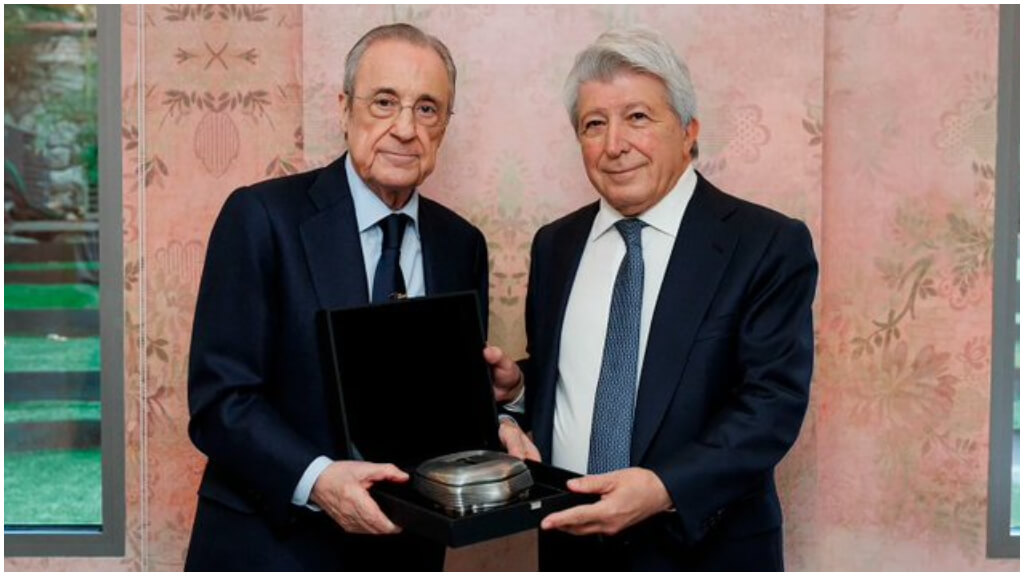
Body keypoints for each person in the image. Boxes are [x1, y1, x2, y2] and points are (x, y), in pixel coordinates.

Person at [490, 27, 818, 570]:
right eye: (595, 124)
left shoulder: (765, 243)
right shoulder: (555, 245)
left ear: (689, 131)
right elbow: (576, 374)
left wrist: (664, 487)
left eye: (638, 117)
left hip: (705, 549)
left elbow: (771, 405)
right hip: (567, 547)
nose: (615, 144)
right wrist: (521, 389)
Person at [185, 23, 491, 570]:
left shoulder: (461, 244)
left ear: (446, 125)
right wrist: (320, 480)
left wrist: (505, 409)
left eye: (427, 109)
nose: (405, 128)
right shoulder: (261, 218)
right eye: (384, 102)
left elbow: (449, 405)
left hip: (404, 551)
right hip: (271, 546)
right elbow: (220, 403)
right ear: (344, 108)